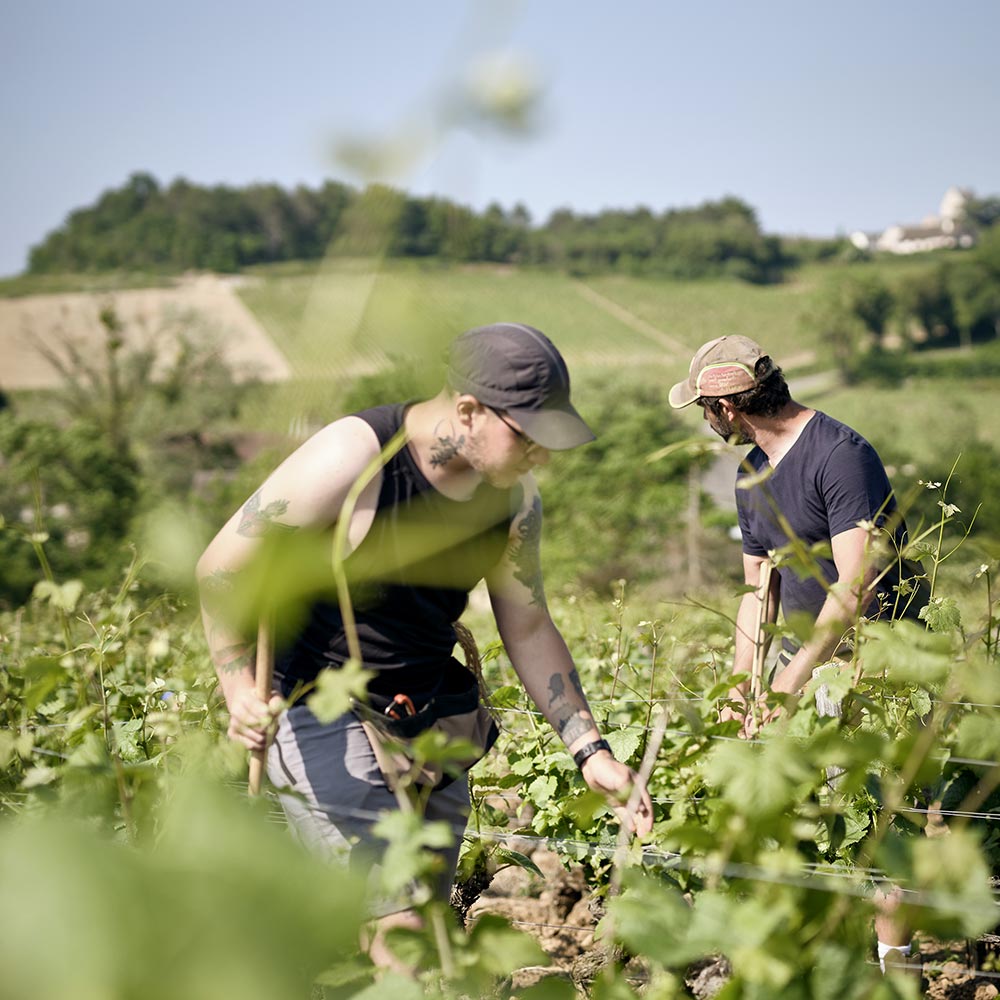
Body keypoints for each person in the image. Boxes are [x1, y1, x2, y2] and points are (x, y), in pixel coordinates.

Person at [197, 321, 653, 967]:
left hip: (429, 719)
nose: (542, 457)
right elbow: (221, 568)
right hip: (318, 704)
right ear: (469, 411)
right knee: (400, 931)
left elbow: (526, 624)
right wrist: (240, 690)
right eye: (529, 436)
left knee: (423, 929)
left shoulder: (513, 502)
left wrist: (590, 750)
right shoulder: (355, 456)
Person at [668, 334, 925, 978]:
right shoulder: (751, 471)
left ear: (726, 408)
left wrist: (793, 678)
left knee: (871, 820)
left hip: (875, 660)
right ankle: (813, 958)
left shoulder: (840, 455)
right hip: (803, 660)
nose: (704, 420)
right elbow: (760, 591)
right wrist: (743, 685)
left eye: (703, 408)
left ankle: (897, 968)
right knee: (791, 813)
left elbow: (856, 585)